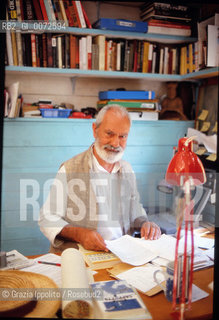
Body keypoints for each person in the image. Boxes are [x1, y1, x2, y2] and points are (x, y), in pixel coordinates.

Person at [39, 105, 161, 253]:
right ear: (94, 130)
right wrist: (79, 234)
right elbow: (47, 218)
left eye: (122, 136)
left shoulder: (127, 170)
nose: (116, 143)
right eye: (109, 134)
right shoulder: (70, 169)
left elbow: (135, 211)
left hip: (119, 255)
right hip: (80, 257)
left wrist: (145, 224)